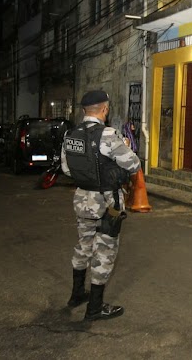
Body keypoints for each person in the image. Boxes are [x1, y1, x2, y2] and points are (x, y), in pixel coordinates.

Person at [61, 90, 141, 321]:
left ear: (84, 110)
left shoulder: (71, 134)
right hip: (107, 203)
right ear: (105, 109)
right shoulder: (107, 135)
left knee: (84, 245)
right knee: (104, 252)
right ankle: (95, 307)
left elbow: (67, 169)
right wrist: (125, 145)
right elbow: (133, 164)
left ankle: (77, 295)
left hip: (82, 199)